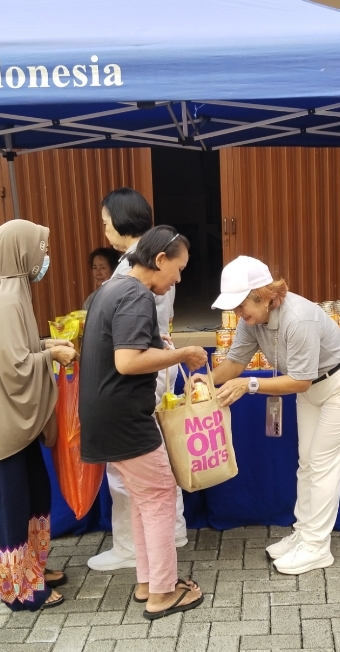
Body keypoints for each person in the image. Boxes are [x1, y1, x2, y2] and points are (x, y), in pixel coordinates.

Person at [209, 256, 340, 575]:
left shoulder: (298, 318)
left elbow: (298, 380)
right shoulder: (251, 320)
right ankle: (304, 533)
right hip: (313, 386)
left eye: (240, 305)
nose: (237, 313)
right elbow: (235, 362)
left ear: (263, 294)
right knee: (307, 461)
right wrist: (204, 381)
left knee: (324, 463)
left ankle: (316, 547)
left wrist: (249, 385)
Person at [79, 225, 208, 619]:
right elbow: (128, 361)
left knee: (143, 497)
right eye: (179, 268)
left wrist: (160, 347)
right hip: (124, 417)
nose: (179, 278)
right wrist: (182, 353)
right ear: (160, 260)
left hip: (103, 415)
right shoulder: (136, 294)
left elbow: (122, 346)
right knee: (159, 495)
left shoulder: (112, 289)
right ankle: (163, 594)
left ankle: (148, 581)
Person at [0, 219, 77, 611]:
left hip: (6, 422)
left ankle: (31, 570)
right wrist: (51, 356)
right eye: (39, 249)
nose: (43, 258)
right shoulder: (6, 299)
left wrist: (44, 344)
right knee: (9, 506)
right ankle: (19, 591)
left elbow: (12, 350)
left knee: (31, 495)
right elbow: (15, 367)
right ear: (18, 252)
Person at [87, 188, 190, 572]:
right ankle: (157, 550)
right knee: (154, 474)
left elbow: (129, 357)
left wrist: (179, 354)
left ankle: (140, 550)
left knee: (139, 475)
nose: (177, 278)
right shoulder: (131, 276)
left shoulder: (135, 278)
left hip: (139, 380)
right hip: (138, 377)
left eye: (105, 222)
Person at [82, 247, 116, 312]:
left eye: (102, 268)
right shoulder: (91, 300)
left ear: (113, 269)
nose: (98, 273)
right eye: (95, 268)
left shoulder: (122, 296)